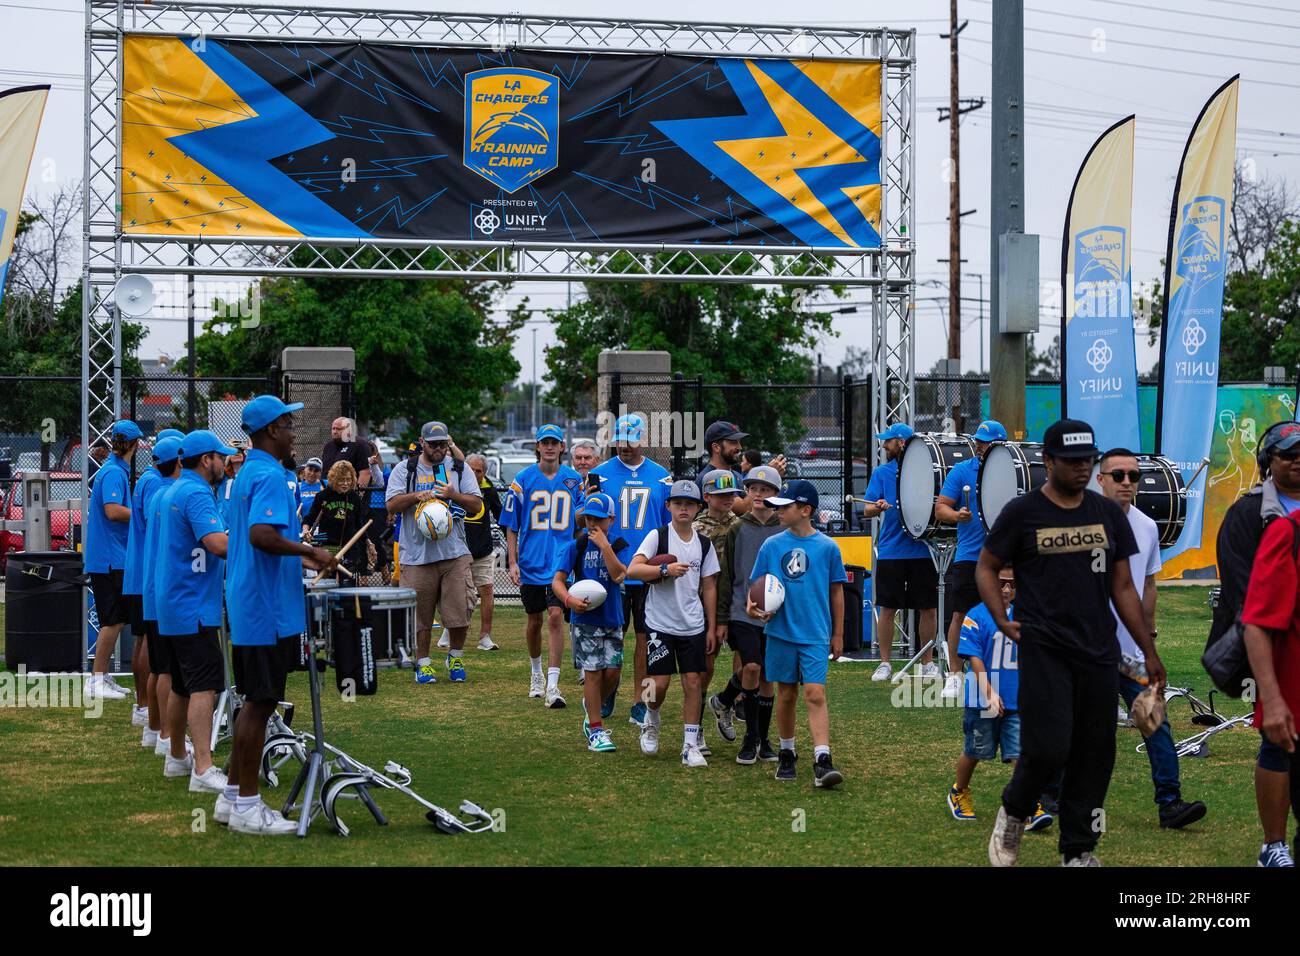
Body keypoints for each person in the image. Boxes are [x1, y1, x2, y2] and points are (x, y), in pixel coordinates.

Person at [979, 419, 1165, 867]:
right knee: (1048, 746)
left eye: (1088, 460)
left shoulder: (1105, 515)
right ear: (1049, 462)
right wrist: (1002, 620)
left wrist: (1148, 651)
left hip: (1098, 650)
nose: (1083, 468)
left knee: (1096, 752)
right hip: (1044, 645)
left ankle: (1078, 851)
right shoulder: (1023, 513)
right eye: (1072, 461)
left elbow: (1123, 587)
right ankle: (1015, 810)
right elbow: (987, 566)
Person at [221, 396, 337, 835]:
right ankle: (249, 807)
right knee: (260, 703)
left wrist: (300, 560)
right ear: (271, 430)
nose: (293, 432)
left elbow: (267, 542)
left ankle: (232, 798)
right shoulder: (268, 473)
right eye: (289, 424)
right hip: (265, 608)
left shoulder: (250, 470)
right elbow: (261, 535)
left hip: (255, 601)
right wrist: (308, 549)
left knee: (255, 701)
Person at [1095, 447, 1207, 830]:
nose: (1128, 482)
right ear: (1100, 480)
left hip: (1131, 655)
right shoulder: (1080, 523)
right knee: (1082, 730)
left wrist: (1151, 641)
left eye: (1134, 476)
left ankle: (1171, 804)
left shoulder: (1146, 526)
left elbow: (1147, 585)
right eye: (1118, 475)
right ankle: (1052, 798)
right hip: (1088, 652)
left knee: (1155, 722)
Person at [1214, 420, 1300, 862]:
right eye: (1289, 454)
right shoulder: (1248, 515)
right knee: (1279, 740)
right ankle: (1273, 844)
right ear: (1268, 464)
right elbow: (1243, 594)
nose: (1298, 461)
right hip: (1271, 644)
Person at [746, 479, 846, 787]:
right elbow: (756, 588)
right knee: (786, 694)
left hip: (815, 633)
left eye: (784, 507)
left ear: (805, 511)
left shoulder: (828, 547)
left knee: (815, 693)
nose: (778, 511)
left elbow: (837, 593)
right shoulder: (772, 545)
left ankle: (822, 759)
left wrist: (838, 634)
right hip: (780, 633)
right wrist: (752, 608)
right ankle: (787, 753)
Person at [154, 429, 234, 794]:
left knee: (183, 685)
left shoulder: (173, 488)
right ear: (207, 460)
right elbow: (217, 544)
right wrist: (259, 546)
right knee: (205, 685)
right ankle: (203, 766)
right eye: (222, 457)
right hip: (192, 605)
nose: (226, 462)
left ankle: (176, 756)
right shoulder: (197, 492)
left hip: (173, 602)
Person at [946, 563, 1052, 828]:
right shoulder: (976, 616)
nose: (1007, 589)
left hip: (1017, 701)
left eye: (1013, 584)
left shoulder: (1025, 616)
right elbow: (974, 659)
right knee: (974, 751)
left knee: (1020, 754)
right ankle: (959, 791)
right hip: (983, 702)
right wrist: (990, 693)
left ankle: (1026, 805)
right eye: (1002, 583)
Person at [627, 480, 719, 766]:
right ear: (668, 506)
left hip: (692, 623)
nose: (683, 508)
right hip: (660, 622)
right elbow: (633, 569)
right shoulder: (658, 536)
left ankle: (689, 744)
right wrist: (664, 569)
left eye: (689, 504)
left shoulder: (704, 544)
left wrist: (712, 626)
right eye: (678, 503)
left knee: (693, 681)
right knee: (658, 684)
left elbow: (710, 586)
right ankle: (651, 718)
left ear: (697, 509)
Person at [589, 414, 673, 727]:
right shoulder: (600, 475)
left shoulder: (661, 476)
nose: (624, 447)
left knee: (644, 637)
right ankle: (609, 689)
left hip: (646, 568)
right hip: (612, 565)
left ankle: (639, 699)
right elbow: (590, 519)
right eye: (620, 442)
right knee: (612, 634)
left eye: (631, 441)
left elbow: (667, 525)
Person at [385, 421, 482, 684]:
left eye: (443, 443)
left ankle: (456, 655)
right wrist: (419, 496)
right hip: (417, 555)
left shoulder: (459, 469)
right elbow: (392, 505)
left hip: (454, 552)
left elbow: (476, 505)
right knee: (421, 615)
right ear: (422, 442)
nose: (439, 449)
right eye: (433, 444)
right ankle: (424, 663)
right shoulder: (404, 470)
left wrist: (454, 494)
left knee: (461, 609)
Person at [501, 424, 583, 706]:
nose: (549, 447)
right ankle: (535, 671)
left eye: (554, 442)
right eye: (544, 442)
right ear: (538, 446)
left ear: (562, 447)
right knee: (534, 620)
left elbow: (583, 520)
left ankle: (553, 684)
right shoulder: (523, 480)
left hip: (561, 561)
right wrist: (512, 561)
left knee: (556, 616)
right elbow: (511, 524)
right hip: (531, 560)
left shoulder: (574, 480)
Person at [712, 464, 785, 764]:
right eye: (753, 488)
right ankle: (750, 737)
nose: (758, 494)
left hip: (776, 615)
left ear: (776, 494)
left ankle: (762, 738)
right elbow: (727, 576)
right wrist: (721, 619)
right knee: (752, 667)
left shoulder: (784, 527)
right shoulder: (737, 528)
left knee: (768, 676)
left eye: (765, 490)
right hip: (744, 612)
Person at [1242, 506, 1300, 867]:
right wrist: (1273, 699)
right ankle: (1273, 846)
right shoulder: (1287, 533)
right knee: (1278, 751)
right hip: (1292, 679)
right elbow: (1257, 623)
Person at [934, 420, 1006, 699]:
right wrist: (957, 516)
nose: (979, 445)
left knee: (1005, 614)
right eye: (978, 440)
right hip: (969, 556)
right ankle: (954, 674)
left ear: (999, 445)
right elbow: (941, 508)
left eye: (985, 442)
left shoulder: (1010, 471)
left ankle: (1001, 671)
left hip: (1003, 557)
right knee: (960, 615)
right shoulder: (963, 470)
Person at [862, 423, 938, 681]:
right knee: (887, 608)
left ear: (902, 443)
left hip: (923, 550)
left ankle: (927, 663)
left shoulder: (925, 472)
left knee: (928, 608)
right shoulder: (882, 473)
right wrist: (878, 507)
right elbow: (867, 509)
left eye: (889, 441)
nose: (884, 445)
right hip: (892, 551)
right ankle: (884, 663)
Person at [552, 492, 627, 753]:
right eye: (589, 519)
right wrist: (568, 600)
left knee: (613, 673)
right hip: (585, 621)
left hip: (612, 618)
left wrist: (605, 547)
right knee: (593, 674)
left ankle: (591, 706)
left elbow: (619, 576)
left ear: (611, 519)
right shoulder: (577, 546)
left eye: (599, 519)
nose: (593, 524)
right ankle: (596, 730)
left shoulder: (617, 544)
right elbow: (558, 581)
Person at [125, 434, 182, 750]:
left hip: (143, 575)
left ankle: (148, 716)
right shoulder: (158, 488)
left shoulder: (150, 482)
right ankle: (154, 721)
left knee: (148, 646)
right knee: (158, 657)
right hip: (150, 577)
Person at [84, 419, 142, 700]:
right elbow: (113, 511)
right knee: (113, 621)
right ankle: (96, 679)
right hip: (109, 559)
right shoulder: (113, 474)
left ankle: (102, 676)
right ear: (135, 444)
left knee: (115, 619)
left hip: (112, 557)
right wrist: (143, 516)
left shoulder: (115, 470)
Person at [693, 468, 742, 756]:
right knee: (704, 667)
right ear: (707, 496)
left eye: (732, 494)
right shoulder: (698, 529)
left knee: (749, 663)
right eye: (721, 494)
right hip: (704, 604)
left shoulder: (741, 524)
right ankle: (695, 725)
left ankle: (725, 702)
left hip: (737, 602)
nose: (728, 499)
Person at [141, 440, 184, 758]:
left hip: (154, 588)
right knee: (168, 670)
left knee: (159, 668)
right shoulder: (173, 495)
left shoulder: (157, 493)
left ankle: (155, 731)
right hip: (165, 590)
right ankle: (168, 737)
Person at [696, 420, 786, 516]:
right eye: (733, 442)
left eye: (739, 442)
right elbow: (744, 511)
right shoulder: (711, 477)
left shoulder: (736, 475)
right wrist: (767, 476)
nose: (739, 447)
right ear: (716, 447)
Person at [304, 460, 374, 576]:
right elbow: (309, 518)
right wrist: (306, 530)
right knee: (327, 585)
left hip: (349, 549)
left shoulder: (354, 498)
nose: (346, 483)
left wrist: (369, 544)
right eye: (342, 480)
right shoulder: (323, 496)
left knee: (348, 586)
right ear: (334, 479)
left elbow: (359, 524)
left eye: (348, 479)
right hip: (327, 548)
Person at [464, 453, 503, 651]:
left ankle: (485, 636)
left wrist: (513, 548)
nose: (474, 473)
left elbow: (501, 516)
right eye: (470, 469)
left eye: (478, 471)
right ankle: (452, 628)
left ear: (484, 473)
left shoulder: (489, 490)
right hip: (459, 551)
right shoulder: (456, 486)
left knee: (486, 590)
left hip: (483, 550)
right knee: (460, 595)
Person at [320, 417, 371, 487]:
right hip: (329, 493)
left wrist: (358, 494)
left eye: (338, 429)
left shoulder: (359, 444)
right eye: (333, 428)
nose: (334, 432)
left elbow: (365, 472)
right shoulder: (328, 446)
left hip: (349, 493)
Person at [217, 445, 246, 527]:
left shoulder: (248, 476)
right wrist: (225, 461)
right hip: (224, 523)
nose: (237, 453)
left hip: (241, 522)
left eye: (240, 451)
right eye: (234, 451)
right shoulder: (222, 476)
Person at [296, 457, 325, 521]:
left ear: (320, 473)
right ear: (305, 469)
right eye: (310, 469)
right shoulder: (298, 486)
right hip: (303, 526)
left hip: (320, 526)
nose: (312, 473)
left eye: (316, 471)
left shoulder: (325, 484)